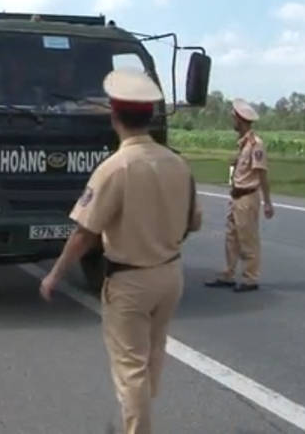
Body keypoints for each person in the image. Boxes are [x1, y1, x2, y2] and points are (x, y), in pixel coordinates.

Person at [39, 68, 202, 434]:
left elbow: (84, 234)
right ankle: (139, 416)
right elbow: (194, 222)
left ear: (115, 117)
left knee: (130, 369)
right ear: (148, 116)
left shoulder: (114, 169)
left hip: (130, 281)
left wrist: (55, 274)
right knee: (152, 355)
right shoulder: (178, 163)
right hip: (170, 274)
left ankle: (136, 427)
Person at [205, 98, 274, 293]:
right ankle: (228, 273)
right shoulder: (243, 144)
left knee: (248, 238)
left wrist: (267, 202)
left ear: (241, 119)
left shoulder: (255, 145)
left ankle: (250, 278)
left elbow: (262, 174)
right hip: (236, 196)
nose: (232, 121)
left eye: (234, 117)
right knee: (232, 237)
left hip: (247, 196)